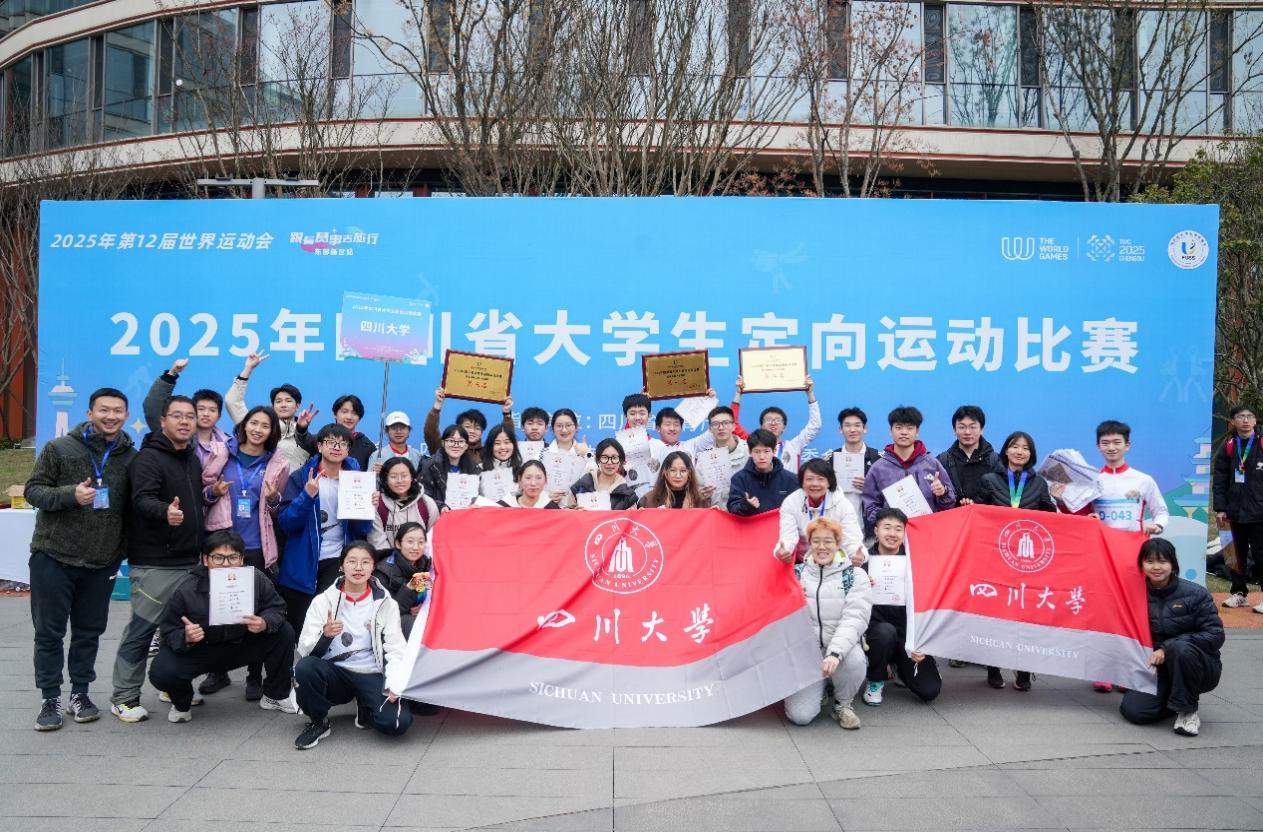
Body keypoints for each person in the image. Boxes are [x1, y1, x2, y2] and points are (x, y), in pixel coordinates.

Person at [26, 387, 138, 731]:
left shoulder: (131, 458)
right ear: (90, 413)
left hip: (101, 562)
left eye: (118, 411)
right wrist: (70, 495)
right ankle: (50, 698)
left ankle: (80, 693)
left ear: (125, 415)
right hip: (53, 557)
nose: (111, 416)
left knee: (89, 632)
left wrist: (121, 551)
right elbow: (34, 490)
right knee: (49, 633)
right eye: (104, 410)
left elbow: (131, 510)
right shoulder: (60, 448)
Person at [110, 395, 206, 723]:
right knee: (142, 629)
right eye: (177, 416)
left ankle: (170, 684)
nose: (184, 421)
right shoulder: (148, 458)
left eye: (189, 416)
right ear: (162, 421)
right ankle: (124, 697)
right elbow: (142, 499)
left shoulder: (190, 458)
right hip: (155, 562)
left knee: (178, 628)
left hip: (188, 558)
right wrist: (165, 511)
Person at [148, 531, 299, 723]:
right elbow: (168, 630)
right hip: (201, 648)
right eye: (218, 558)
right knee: (161, 671)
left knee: (284, 632)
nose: (226, 564)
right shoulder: (187, 588)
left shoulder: (255, 578)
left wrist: (264, 622)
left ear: (242, 559)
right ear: (205, 559)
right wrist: (185, 636)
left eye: (233, 557)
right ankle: (182, 702)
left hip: (242, 644)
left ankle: (275, 696)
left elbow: (277, 607)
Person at [1063, 419, 1169, 692]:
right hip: (1100, 556)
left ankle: (1129, 671)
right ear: (1098, 446)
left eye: (1116, 442)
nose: (1111, 447)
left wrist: (1157, 526)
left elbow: (1161, 511)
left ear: (1127, 445)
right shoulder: (1091, 481)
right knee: (1102, 611)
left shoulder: (1142, 480)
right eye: (1105, 443)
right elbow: (1078, 515)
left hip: (1133, 556)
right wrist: (1064, 499)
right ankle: (1103, 670)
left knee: (1132, 612)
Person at [198, 404, 291, 699]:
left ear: (271, 432)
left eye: (265, 425)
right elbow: (202, 494)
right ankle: (218, 671)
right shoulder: (222, 454)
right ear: (244, 425)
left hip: (255, 546)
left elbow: (277, 510)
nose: (257, 429)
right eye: (254, 423)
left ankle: (254, 674)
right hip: (222, 544)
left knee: (253, 609)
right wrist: (213, 493)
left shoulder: (277, 463)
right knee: (218, 609)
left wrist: (274, 500)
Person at [293, 541, 413, 749]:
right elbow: (304, 649)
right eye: (352, 562)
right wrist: (325, 635)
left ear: (373, 567)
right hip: (336, 673)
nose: (358, 568)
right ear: (341, 566)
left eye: (365, 562)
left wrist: (394, 682)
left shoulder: (385, 603)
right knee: (304, 668)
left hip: (371, 672)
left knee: (396, 724)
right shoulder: (323, 601)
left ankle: (365, 704)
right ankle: (318, 721)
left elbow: (396, 647)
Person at [974, 430, 1056, 691]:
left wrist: (1060, 503)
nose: (1020, 451)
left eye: (1025, 448)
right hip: (995, 559)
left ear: (1031, 454)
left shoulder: (1039, 483)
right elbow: (976, 515)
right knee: (995, 614)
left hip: (1027, 562)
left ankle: (1023, 669)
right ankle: (993, 667)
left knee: (1026, 616)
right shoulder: (989, 479)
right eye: (1015, 446)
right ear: (1006, 450)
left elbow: (1051, 518)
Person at [277, 423, 375, 635]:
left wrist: (367, 507)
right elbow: (286, 523)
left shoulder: (357, 481)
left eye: (343, 443)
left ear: (348, 450)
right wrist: (306, 496)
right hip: (303, 560)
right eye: (331, 442)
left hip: (337, 559)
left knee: (330, 624)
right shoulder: (301, 477)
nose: (337, 447)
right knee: (301, 627)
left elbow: (363, 529)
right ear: (319, 446)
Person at [1120, 538, 1224, 737]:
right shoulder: (1135, 595)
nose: (1156, 567)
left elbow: (1215, 635)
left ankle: (1188, 711)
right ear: (1141, 564)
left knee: (1180, 649)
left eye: (1163, 561)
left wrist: (1166, 648)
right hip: (1157, 667)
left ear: (1173, 564)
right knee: (1135, 711)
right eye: (1149, 561)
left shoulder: (1196, 594)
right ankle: (1175, 699)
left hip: (1198, 665)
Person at [782, 517, 872, 729]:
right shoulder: (794, 575)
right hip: (806, 653)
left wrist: (834, 653)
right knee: (801, 716)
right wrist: (791, 599)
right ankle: (819, 687)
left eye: (828, 541)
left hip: (839, 650)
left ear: (838, 543)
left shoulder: (855, 575)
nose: (822, 547)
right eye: (816, 541)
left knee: (854, 659)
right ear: (809, 544)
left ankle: (842, 704)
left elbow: (855, 619)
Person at [860, 509, 941, 706]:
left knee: (929, 690)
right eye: (887, 527)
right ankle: (876, 679)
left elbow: (930, 603)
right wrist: (860, 584)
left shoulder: (915, 561)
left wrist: (923, 642)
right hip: (875, 633)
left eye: (898, 529)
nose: (892, 533)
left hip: (908, 634)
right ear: (876, 530)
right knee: (885, 633)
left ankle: (897, 664)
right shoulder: (862, 562)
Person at [861, 406, 955, 533]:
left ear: (917, 431)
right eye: (899, 427)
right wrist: (888, 523)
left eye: (909, 428)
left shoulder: (932, 464)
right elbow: (869, 505)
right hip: (892, 536)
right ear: (890, 430)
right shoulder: (878, 468)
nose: (904, 432)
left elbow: (950, 504)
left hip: (927, 533)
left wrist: (943, 492)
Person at [224, 352, 318, 470]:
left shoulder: (306, 439)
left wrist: (301, 429)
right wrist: (247, 369)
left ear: (297, 405)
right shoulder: (259, 428)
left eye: (288, 401)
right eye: (278, 401)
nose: (283, 405)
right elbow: (232, 402)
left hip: (296, 482)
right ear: (272, 406)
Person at [1213, 404, 1263, 610]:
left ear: (1255, 420)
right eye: (1241, 416)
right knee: (1233, 555)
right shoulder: (1228, 446)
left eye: (1249, 416)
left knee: (1261, 555)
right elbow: (1219, 480)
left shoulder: (1261, 443)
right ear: (1233, 421)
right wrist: (1220, 508)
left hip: (1260, 513)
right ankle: (1238, 593)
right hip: (1233, 513)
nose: (1245, 420)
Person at [775, 458, 865, 565]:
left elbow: (851, 538)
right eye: (809, 479)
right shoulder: (791, 502)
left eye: (820, 479)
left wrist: (856, 554)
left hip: (836, 562)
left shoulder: (843, 505)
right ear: (802, 482)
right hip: (803, 562)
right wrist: (784, 550)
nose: (815, 484)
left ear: (829, 482)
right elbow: (788, 536)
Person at [140, 358, 228, 466]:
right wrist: (171, 374)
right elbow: (153, 408)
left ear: (219, 416)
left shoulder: (228, 444)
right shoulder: (177, 435)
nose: (206, 414)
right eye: (201, 409)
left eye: (212, 410)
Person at [731, 375, 821, 472]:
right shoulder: (752, 443)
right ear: (761, 426)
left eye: (778, 420)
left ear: (784, 427)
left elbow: (815, 425)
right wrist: (738, 394)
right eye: (768, 420)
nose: (773, 423)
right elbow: (733, 425)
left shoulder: (794, 446)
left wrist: (810, 394)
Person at [423, 388, 514, 465]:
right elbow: (430, 432)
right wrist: (437, 405)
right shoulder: (446, 449)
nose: (472, 431)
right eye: (467, 426)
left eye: (477, 428)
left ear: (482, 431)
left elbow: (508, 436)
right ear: (458, 428)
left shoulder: (489, 453)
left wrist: (506, 414)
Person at [373, 522, 432, 638]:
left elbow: (424, 597)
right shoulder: (383, 570)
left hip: (418, 617)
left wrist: (422, 607)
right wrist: (409, 588)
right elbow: (386, 613)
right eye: (410, 542)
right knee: (409, 621)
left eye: (421, 542)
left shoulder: (425, 564)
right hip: (392, 624)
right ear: (398, 544)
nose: (416, 547)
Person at [368, 458, 438, 554]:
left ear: (412, 477)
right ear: (385, 479)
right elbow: (378, 543)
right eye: (393, 476)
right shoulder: (377, 504)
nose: (399, 481)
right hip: (388, 561)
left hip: (421, 561)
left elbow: (433, 540)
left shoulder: (427, 503)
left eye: (404, 476)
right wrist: (395, 562)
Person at [936, 405, 1001, 507]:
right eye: (962, 427)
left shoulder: (996, 460)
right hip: (954, 517)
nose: (967, 432)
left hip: (985, 517)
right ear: (954, 430)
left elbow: (1002, 497)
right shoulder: (942, 461)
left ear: (982, 429)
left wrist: (976, 506)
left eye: (972, 427)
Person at [728, 429, 799, 516]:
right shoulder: (739, 479)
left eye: (766, 451)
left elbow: (799, 510)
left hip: (781, 524)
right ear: (750, 452)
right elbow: (732, 510)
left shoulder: (791, 479)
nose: (762, 457)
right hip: (751, 524)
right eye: (757, 452)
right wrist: (746, 505)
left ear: (774, 451)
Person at [829, 407, 882, 522]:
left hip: (870, 524)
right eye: (847, 425)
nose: (852, 430)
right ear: (840, 429)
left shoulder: (878, 459)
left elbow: (888, 492)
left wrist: (870, 487)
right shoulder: (831, 459)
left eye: (857, 425)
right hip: (837, 524)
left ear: (865, 428)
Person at [698, 405, 748, 508]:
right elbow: (698, 490)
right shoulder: (704, 457)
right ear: (710, 429)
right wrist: (701, 494)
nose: (721, 428)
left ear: (734, 426)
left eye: (725, 423)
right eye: (716, 424)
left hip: (746, 512)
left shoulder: (749, 450)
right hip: (717, 513)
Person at [419, 425, 480, 509]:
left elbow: (480, 497)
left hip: (466, 515)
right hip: (439, 515)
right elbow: (423, 496)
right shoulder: (431, 466)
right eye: (451, 441)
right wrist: (441, 506)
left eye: (461, 441)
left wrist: (475, 504)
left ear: (466, 446)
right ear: (443, 443)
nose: (456, 445)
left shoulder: (475, 469)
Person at [569, 438, 639, 510]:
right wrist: (575, 512)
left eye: (614, 458)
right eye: (605, 457)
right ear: (598, 460)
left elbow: (633, 516)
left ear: (620, 461)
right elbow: (565, 512)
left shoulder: (628, 495)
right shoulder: (580, 486)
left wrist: (636, 513)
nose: (609, 462)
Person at [311, 394, 376, 471]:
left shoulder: (368, 447)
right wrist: (301, 428)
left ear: (359, 418)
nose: (349, 417)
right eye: (344, 412)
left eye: (354, 413)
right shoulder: (320, 438)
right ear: (335, 414)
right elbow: (304, 440)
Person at [648, 406, 715, 466]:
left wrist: (710, 401)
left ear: (681, 428)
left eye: (676, 424)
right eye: (668, 424)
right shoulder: (650, 448)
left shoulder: (691, 445)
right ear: (658, 428)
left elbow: (713, 432)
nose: (672, 428)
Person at [637, 451, 707, 509]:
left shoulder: (700, 499)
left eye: (683, 471)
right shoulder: (648, 500)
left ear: (689, 473)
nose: (678, 475)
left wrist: (713, 513)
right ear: (665, 472)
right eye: (673, 470)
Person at [497, 460, 562, 509]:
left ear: (546, 479)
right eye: (528, 478)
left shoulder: (552, 509)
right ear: (519, 479)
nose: (533, 483)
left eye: (539, 478)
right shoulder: (502, 507)